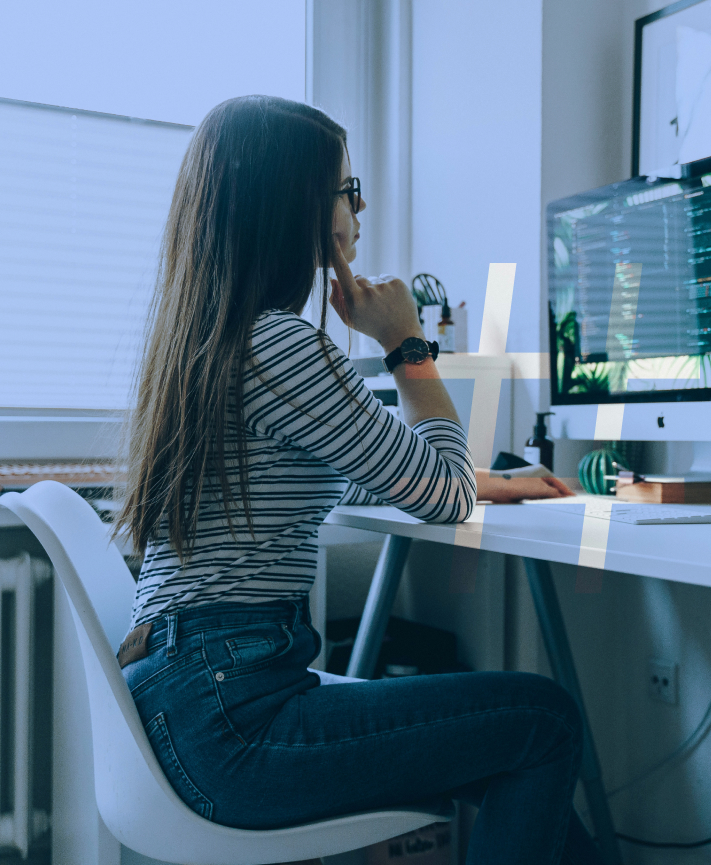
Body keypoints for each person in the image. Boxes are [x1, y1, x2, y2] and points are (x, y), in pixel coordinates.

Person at [115, 95, 597, 865]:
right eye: (348, 190)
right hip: (233, 719)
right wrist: (408, 343)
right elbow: (440, 496)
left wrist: (485, 479)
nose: (360, 209)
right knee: (542, 721)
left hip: (187, 698)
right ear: (300, 204)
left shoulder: (210, 338)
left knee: (516, 736)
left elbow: (358, 468)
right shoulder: (281, 345)